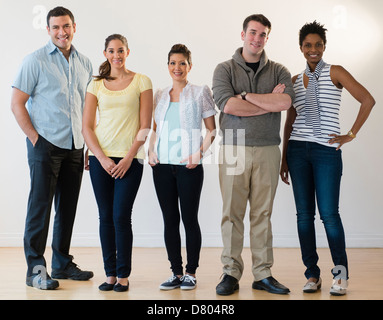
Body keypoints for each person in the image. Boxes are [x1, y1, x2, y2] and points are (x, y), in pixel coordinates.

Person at [280, 21, 375, 296]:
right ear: (301, 48)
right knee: (303, 216)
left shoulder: (336, 72)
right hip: (298, 150)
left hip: (325, 152)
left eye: (318, 45)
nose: (313, 50)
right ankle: (312, 275)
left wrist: (351, 134)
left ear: (324, 46)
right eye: (308, 45)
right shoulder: (295, 81)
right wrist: (285, 157)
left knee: (330, 215)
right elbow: (290, 121)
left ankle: (340, 275)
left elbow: (367, 99)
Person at [11, 6, 94, 290]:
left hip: (74, 145)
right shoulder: (34, 61)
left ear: (74, 26)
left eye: (66, 26)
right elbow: (16, 103)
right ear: (48, 30)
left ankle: (61, 263)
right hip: (45, 144)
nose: (62, 32)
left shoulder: (85, 63)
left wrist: (86, 145)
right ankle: (35, 270)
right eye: (56, 27)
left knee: (67, 208)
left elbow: (86, 107)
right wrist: (35, 139)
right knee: (40, 209)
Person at [212, 14, 295, 296]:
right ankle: (230, 273)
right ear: (243, 34)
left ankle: (263, 274)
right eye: (253, 33)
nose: (257, 39)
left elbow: (284, 101)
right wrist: (264, 102)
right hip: (234, 145)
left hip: (269, 147)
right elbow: (228, 106)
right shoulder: (224, 69)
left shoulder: (280, 70)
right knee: (232, 213)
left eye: (263, 35)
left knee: (262, 214)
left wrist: (245, 96)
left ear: (267, 38)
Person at [82, 34, 153, 292]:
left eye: (120, 50)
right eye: (111, 51)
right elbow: (87, 127)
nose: (116, 55)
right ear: (105, 54)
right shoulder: (96, 84)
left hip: (130, 158)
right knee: (105, 217)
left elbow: (145, 126)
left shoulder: (142, 81)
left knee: (121, 215)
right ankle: (109, 274)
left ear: (128, 51)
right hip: (100, 157)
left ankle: (123, 275)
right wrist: (100, 157)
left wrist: (128, 157)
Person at [148, 44, 216, 291]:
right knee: (169, 220)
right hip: (162, 167)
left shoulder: (200, 92)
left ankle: (191, 272)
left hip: (189, 166)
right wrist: (150, 151)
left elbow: (212, 130)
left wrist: (199, 153)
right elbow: (154, 130)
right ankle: (176, 272)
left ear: (190, 65)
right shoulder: (160, 94)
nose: (177, 68)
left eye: (182, 63)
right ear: (168, 66)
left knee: (189, 218)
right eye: (173, 63)